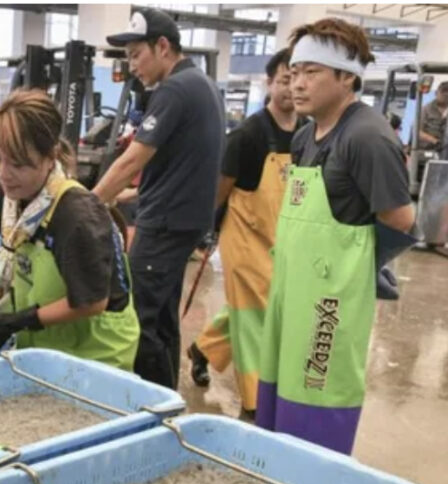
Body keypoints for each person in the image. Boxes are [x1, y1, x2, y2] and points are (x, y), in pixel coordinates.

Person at [257, 18, 414, 455]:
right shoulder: (304, 137)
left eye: (312, 72)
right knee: (279, 387)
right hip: (293, 286)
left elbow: (400, 218)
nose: (297, 84)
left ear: (347, 77)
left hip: (329, 298)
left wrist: (356, 268)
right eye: (294, 72)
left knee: (316, 391)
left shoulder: (366, 137)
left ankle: (313, 481)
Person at [93, 8, 225, 389]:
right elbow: (185, 164)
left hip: (164, 225)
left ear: (163, 46)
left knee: (136, 320)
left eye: (136, 55)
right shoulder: (203, 85)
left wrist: (86, 203)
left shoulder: (174, 90)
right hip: (183, 221)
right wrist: (132, 193)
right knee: (164, 319)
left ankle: (146, 401)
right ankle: (168, 399)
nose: (132, 65)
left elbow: (132, 159)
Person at [0, 90, 140, 369]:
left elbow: (93, 301)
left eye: (18, 163)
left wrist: (25, 319)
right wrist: (5, 317)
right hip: (45, 342)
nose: (3, 173)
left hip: (95, 351)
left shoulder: (76, 216)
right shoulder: (8, 197)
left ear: (50, 157)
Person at [187, 48, 304, 418]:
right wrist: (205, 229)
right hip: (244, 239)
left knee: (261, 309)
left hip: (283, 240)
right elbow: (220, 190)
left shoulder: (306, 133)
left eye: (298, 79)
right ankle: (256, 404)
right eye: (284, 80)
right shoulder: (248, 135)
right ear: (269, 83)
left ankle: (203, 348)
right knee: (255, 318)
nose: (292, 88)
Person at [419, 80, 448, 151]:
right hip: (428, 148)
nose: (446, 95)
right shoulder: (426, 109)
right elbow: (418, 132)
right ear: (436, 93)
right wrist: (435, 141)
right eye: (443, 91)